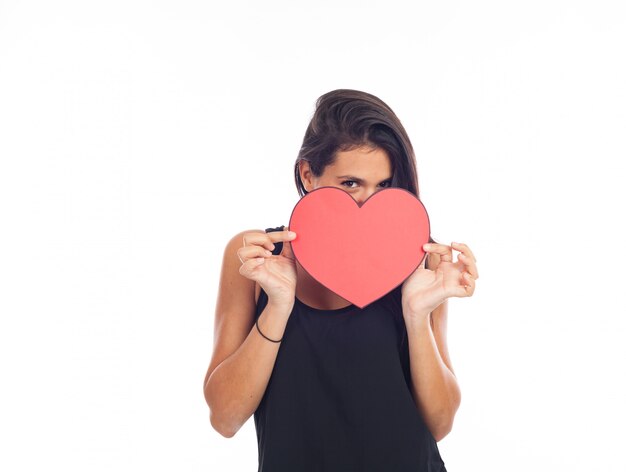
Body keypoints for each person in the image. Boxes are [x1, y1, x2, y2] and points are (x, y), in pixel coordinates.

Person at [203, 89, 479, 471]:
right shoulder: (255, 258)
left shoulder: (421, 262)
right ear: (307, 175)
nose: (369, 203)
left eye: (384, 186)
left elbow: (440, 424)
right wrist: (279, 307)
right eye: (350, 183)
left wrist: (417, 316)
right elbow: (224, 418)